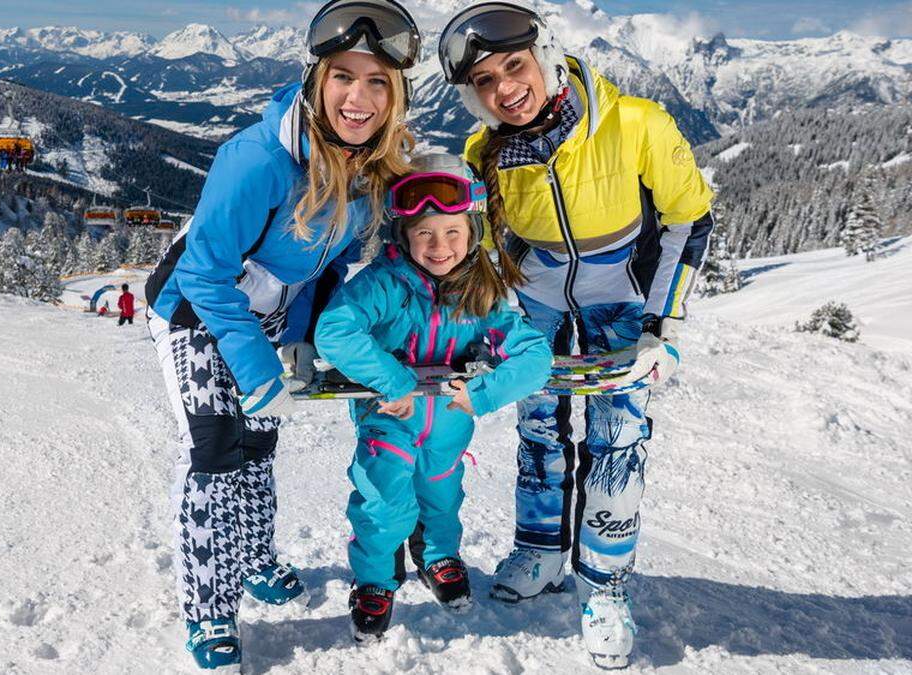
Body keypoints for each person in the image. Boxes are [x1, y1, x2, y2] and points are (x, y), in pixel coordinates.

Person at [143, 0, 421, 669]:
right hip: (197, 307)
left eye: (377, 81)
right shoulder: (259, 159)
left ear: (396, 95)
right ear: (317, 80)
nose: (359, 96)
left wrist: (303, 341)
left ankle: (256, 559)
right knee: (218, 449)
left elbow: (328, 266)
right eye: (344, 77)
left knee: (260, 443)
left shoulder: (367, 168)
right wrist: (258, 371)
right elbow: (207, 274)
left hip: (269, 311)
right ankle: (211, 612)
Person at [437, 2, 715, 668]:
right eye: (485, 82)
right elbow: (479, 248)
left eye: (514, 65)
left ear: (547, 55)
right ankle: (539, 550)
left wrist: (661, 321)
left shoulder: (636, 126)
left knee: (617, 437)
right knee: (538, 427)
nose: (505, 87)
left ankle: (605, 581)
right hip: (535, 303)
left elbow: (690, 218)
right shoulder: (488, 152)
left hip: (620, 301)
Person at [315, 154, 552, 642]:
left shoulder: (480, 293)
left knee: (442, 493)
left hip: (449, 419)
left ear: (473, 234)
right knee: (383, 499)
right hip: (390, 416)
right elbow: (334, 332)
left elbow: (535, 357)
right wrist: (393, 380)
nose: (439, 246)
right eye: (424, 232)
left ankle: (438, 554)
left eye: (452, 233)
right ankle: (375, 581)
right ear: (402, 235)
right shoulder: (383, 284)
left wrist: (483, 393)